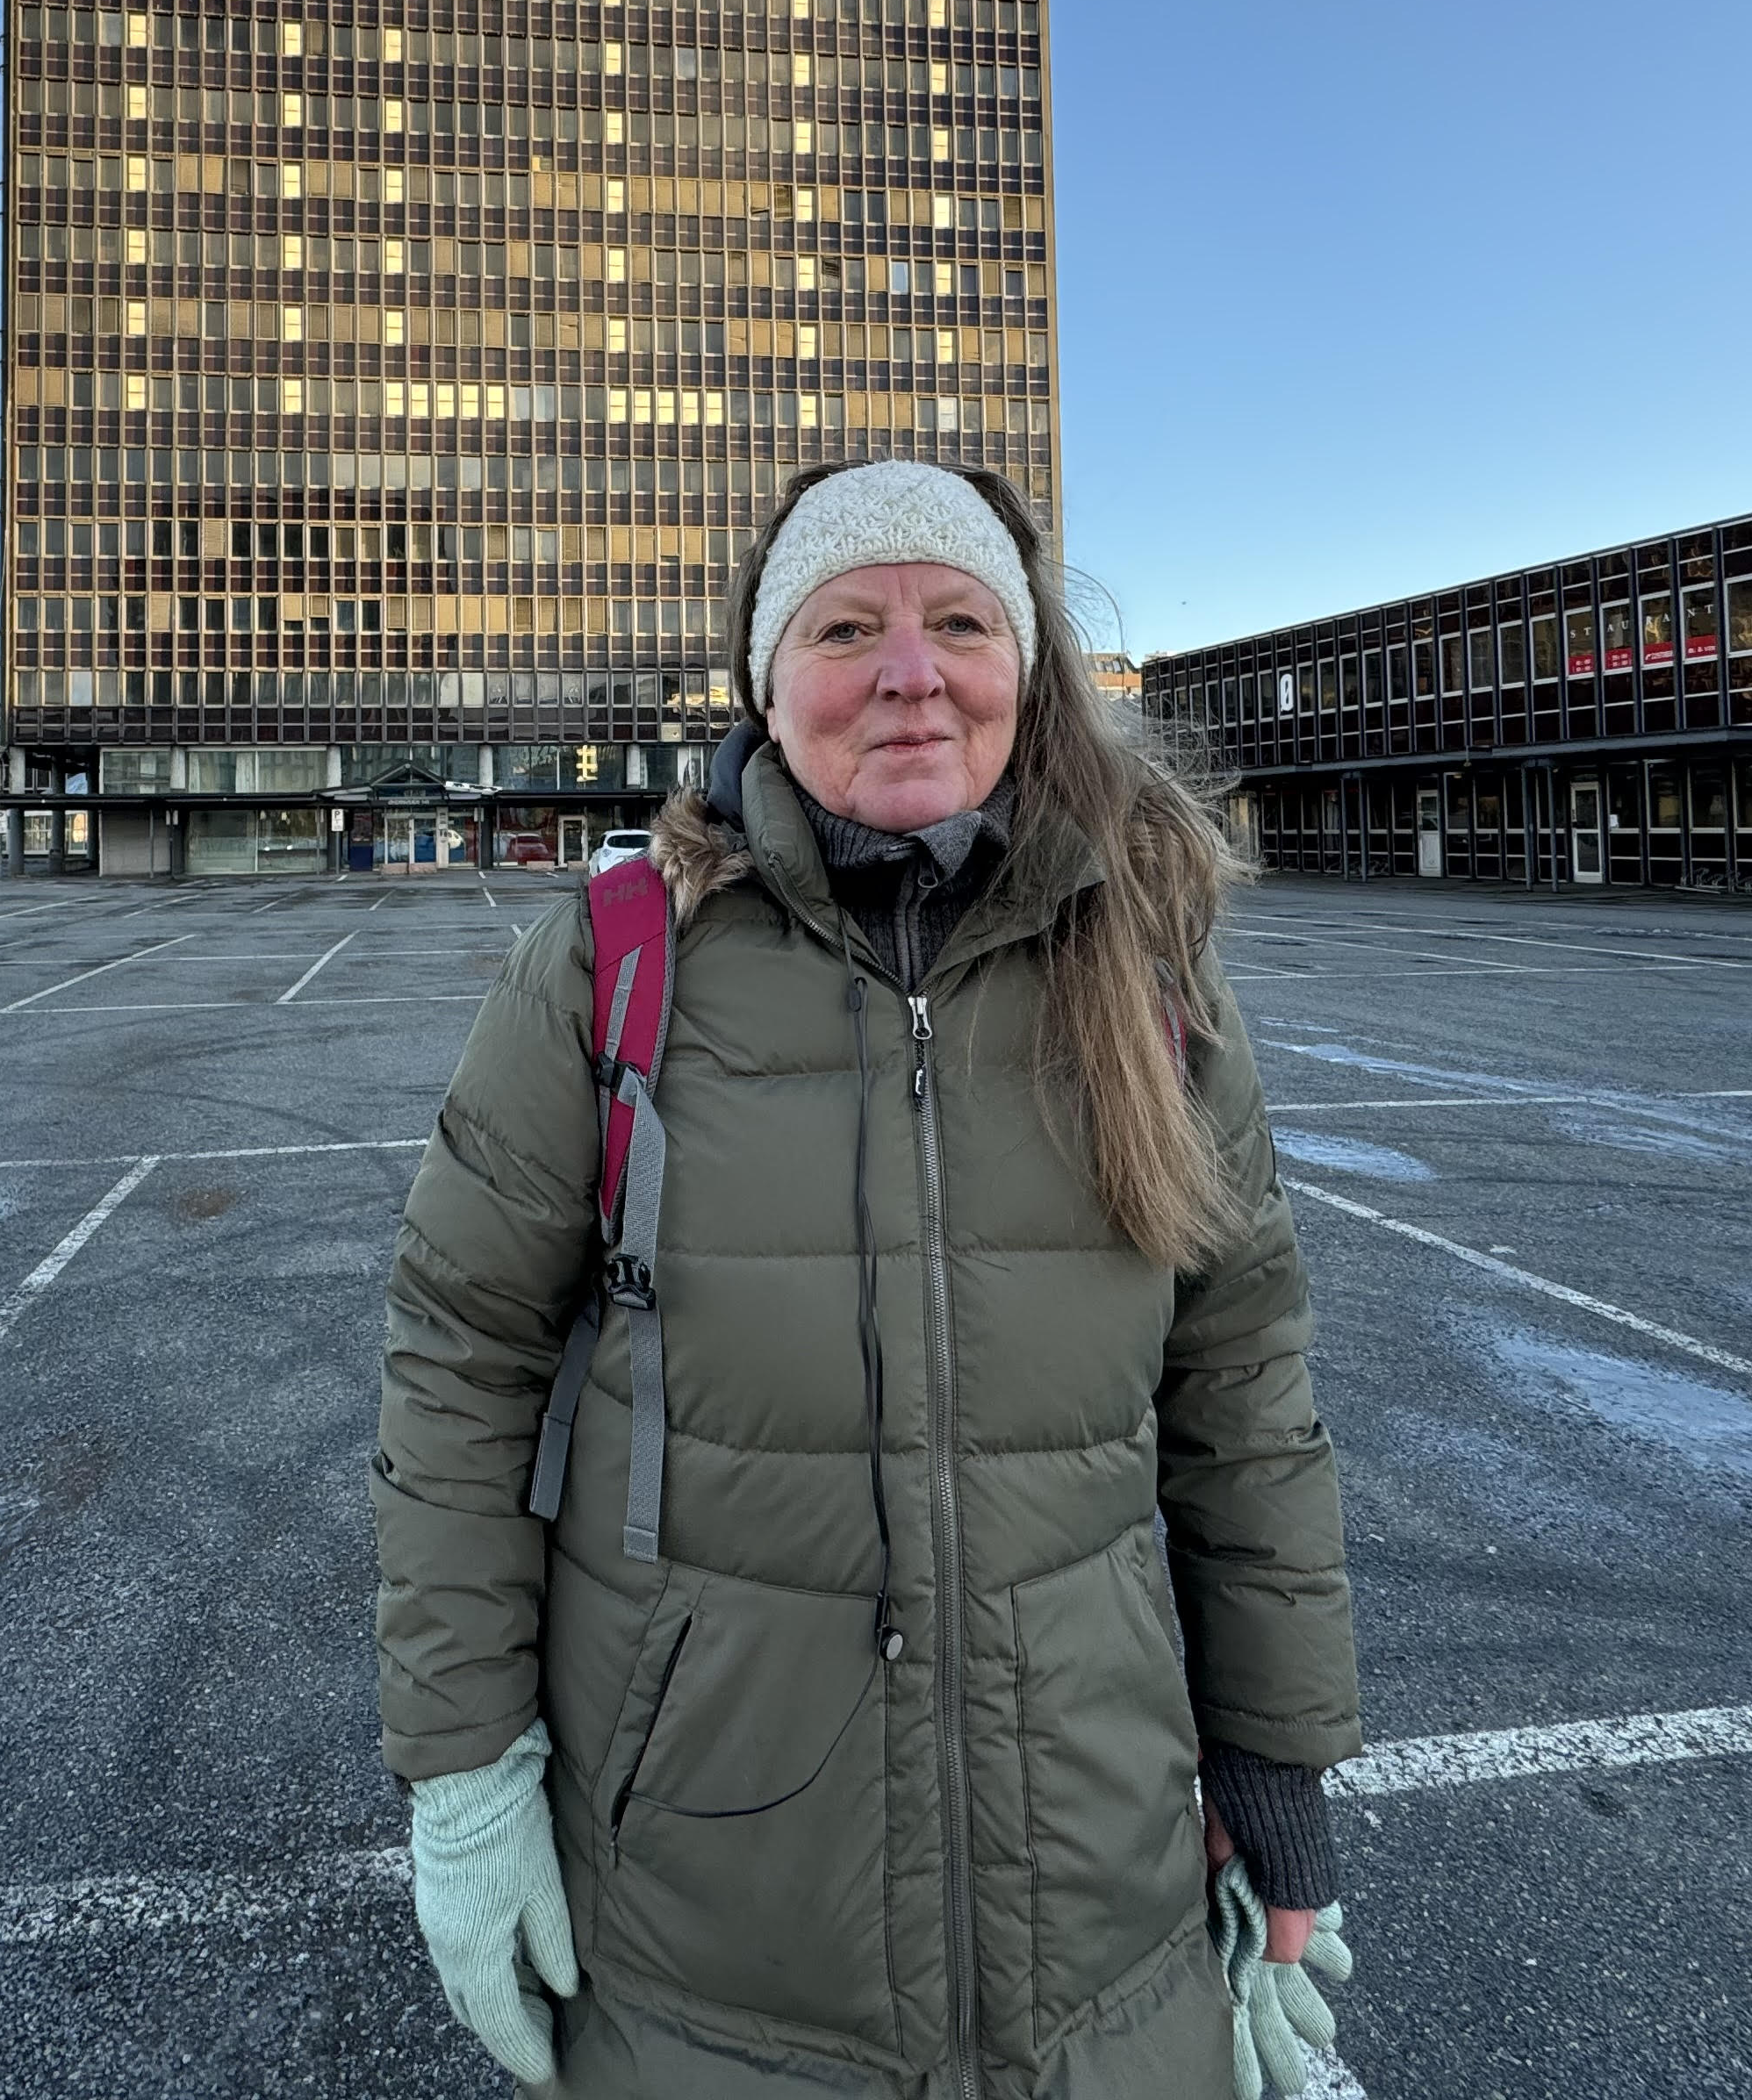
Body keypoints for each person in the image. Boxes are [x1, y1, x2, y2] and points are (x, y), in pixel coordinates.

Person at [372, 460, 1361, 2096]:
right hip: (707, 1935)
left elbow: (1243, 1390)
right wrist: (466, 1775)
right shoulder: (621, 963)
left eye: (960, 620)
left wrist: (1276, 1770)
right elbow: (459, 1358)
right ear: (768, 686)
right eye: (848, 626)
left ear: (1025, 670)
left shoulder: (1152, 977)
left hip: (1102, 1925)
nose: (912, 670)